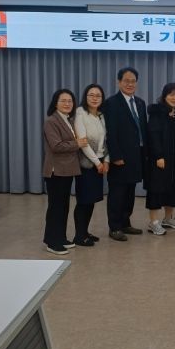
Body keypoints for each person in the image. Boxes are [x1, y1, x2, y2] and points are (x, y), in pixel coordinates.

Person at [104, 67, 147, 241]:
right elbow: (110, 132)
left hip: (136, 156)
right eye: (126, 81)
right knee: (117, 193)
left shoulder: (140, 103)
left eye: (133, 81)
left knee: (130, 192)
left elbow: (142, 130)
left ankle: (125, 223)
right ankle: (114, 227)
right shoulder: (111, 103)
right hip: (120, 157)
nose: (130, 84)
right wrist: (115, 156)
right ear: (119, 82)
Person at [42, 88, 87, 255]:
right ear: (56, 103)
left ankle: (60, 237)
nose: (67, 104)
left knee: (63, 206)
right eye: (63, 101)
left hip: (67, 170)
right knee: (56, 208)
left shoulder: (68, 119)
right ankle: (52, 242)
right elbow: (56, 146)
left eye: (70, 101)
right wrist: (77, 144)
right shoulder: (51, 121)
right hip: (56, 171)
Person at [146, 83, 175, 235]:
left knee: (173, 187)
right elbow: (153, 135)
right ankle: (153, 222)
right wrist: (158, 156)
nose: (174, 98)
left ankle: (168, 218)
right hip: (160, 158)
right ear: (164, 96)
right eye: (171, 94)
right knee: (156, 189)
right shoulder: (156, 112)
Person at [73, 83, 109, 247]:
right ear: (85, 97)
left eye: (98, 95)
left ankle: (85, 231)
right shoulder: (80, 113)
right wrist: (97, 162)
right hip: (86, 164)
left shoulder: (101, 115)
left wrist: (105, 160)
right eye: (91, 95)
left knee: (91, 200)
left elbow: (106, 140)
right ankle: (79, 236)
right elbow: (83, 142)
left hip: (99, 162)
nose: (95, 98)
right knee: (83, 200)